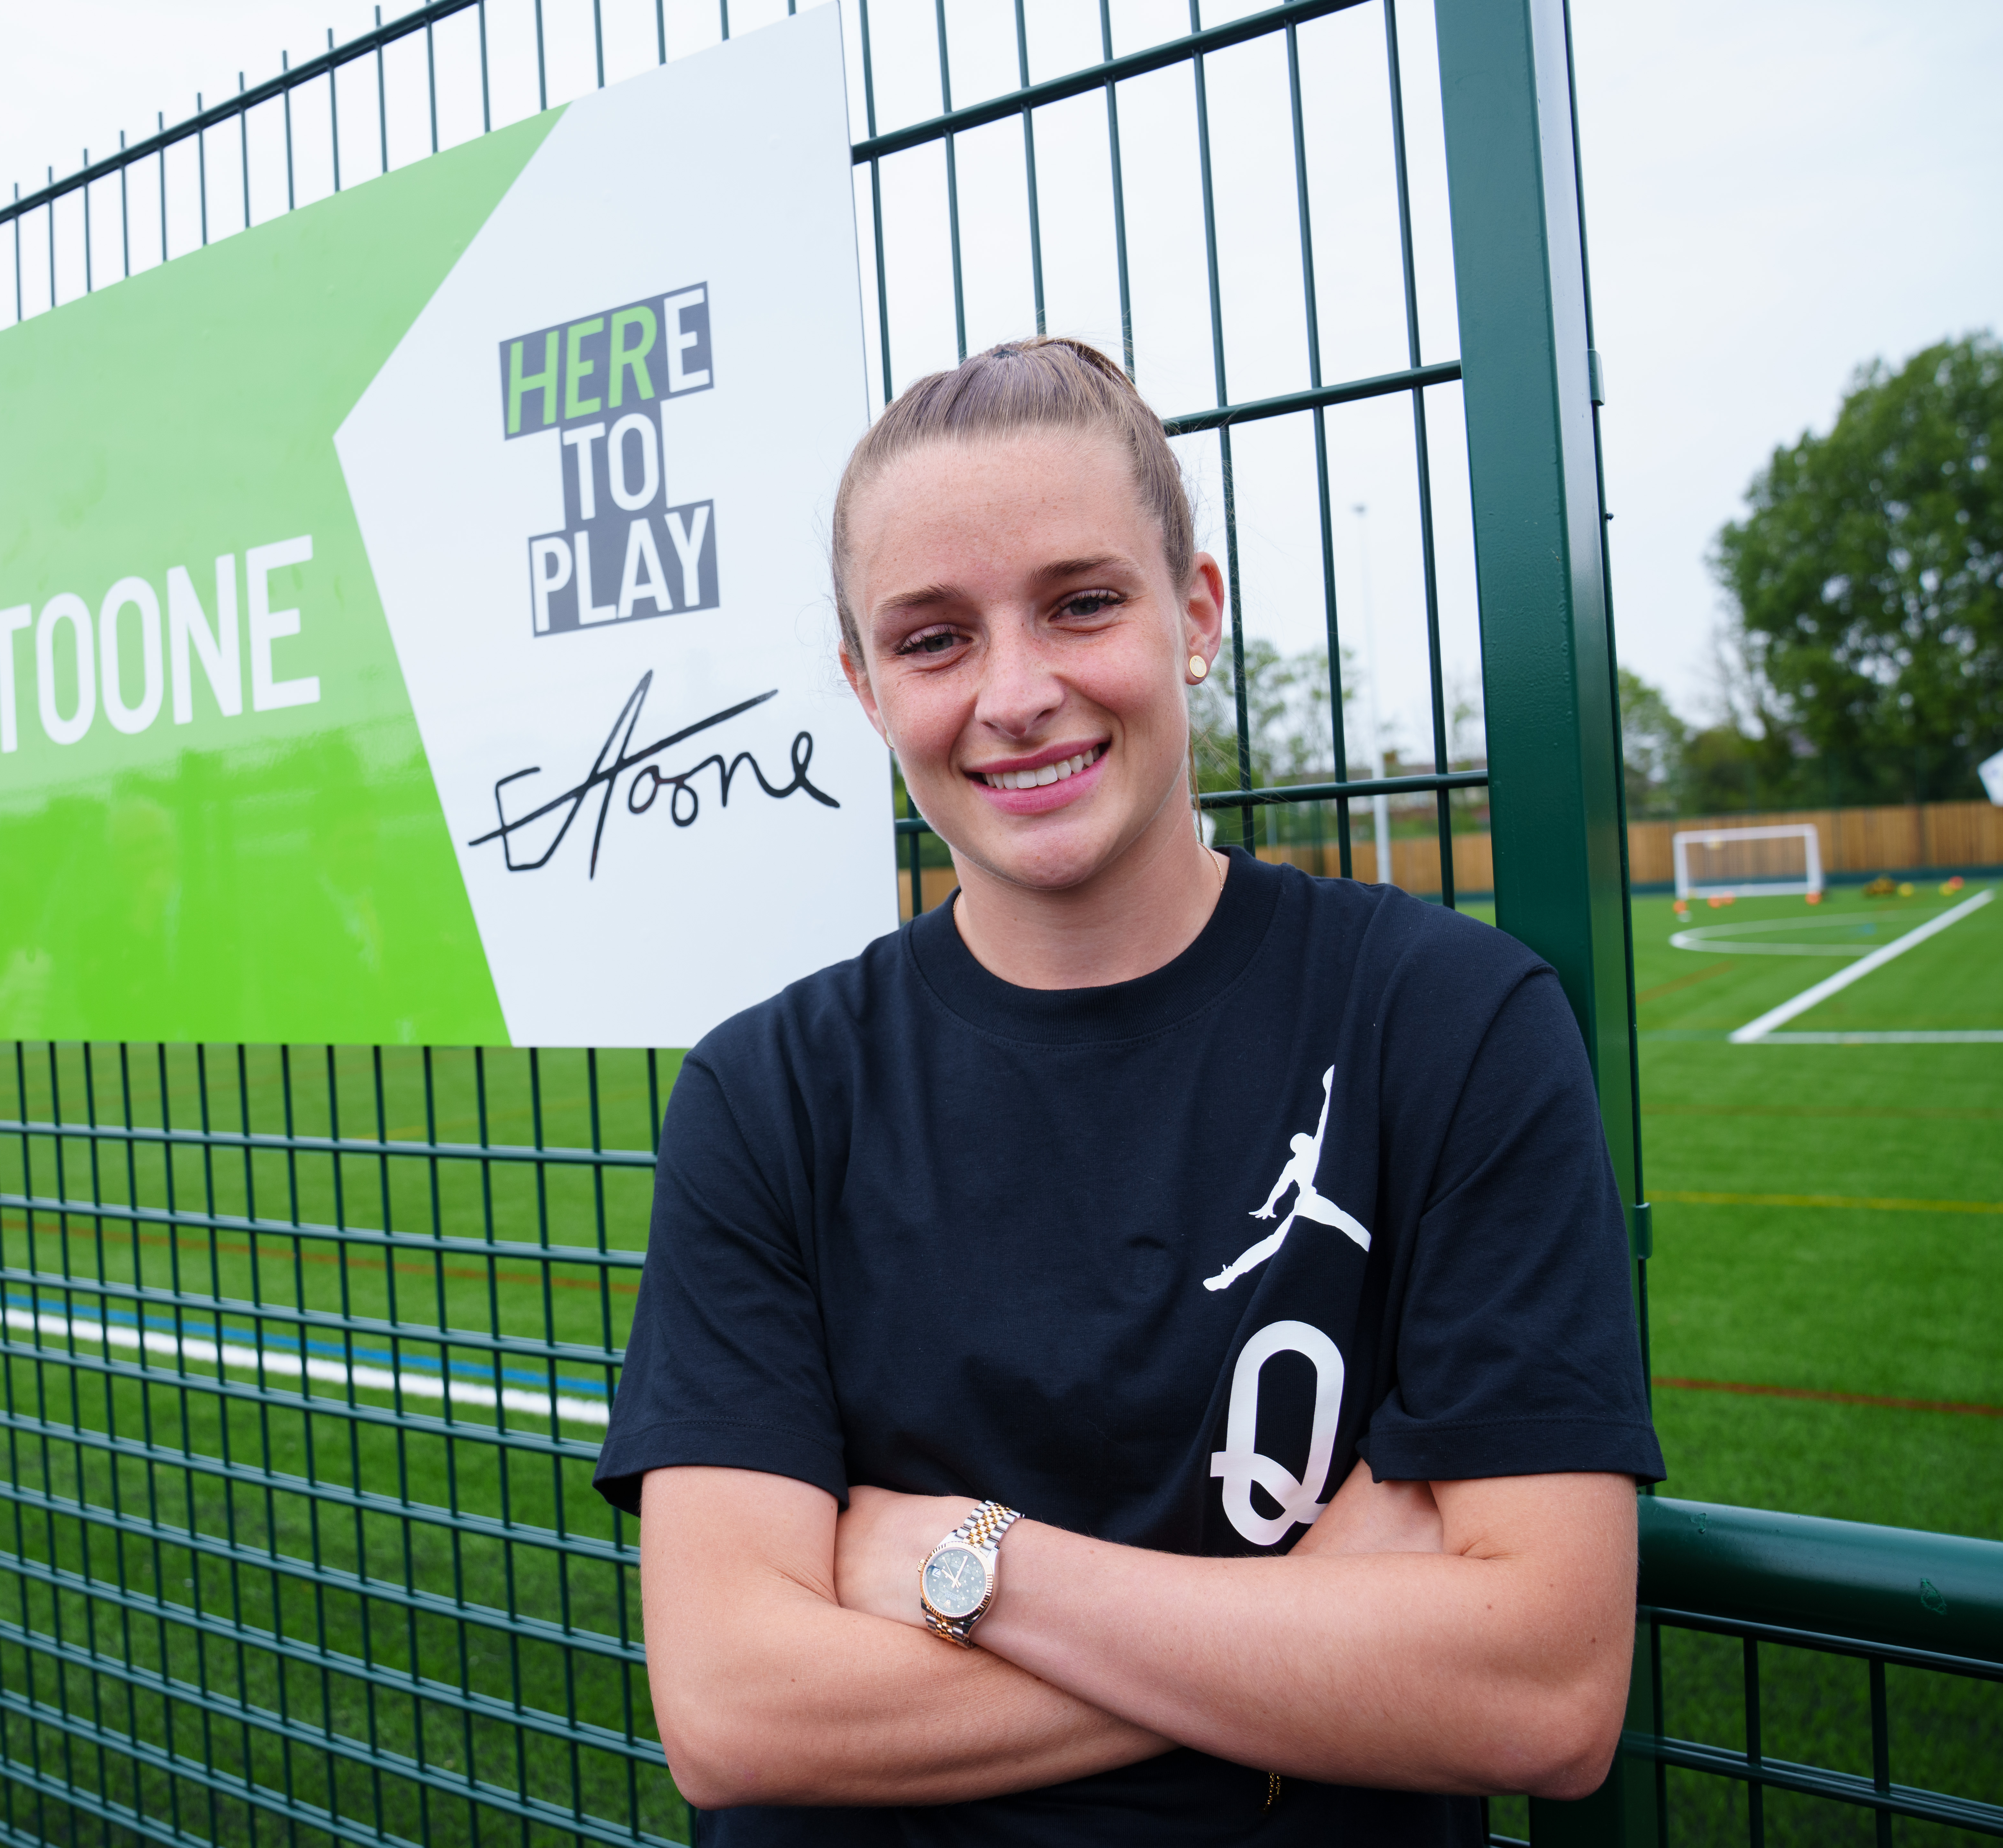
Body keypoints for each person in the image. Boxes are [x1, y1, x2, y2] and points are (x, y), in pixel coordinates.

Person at [590, 338, 1663, 1845]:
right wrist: (1312, 1642)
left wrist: (970, 1566)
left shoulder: (1450, 1024)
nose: (1016, 693)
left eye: (1082, 603)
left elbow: (1541, 1688)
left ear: (1196, 614)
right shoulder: (770, 1095)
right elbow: (736, 1711)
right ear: (863, 686)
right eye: (934, 638)